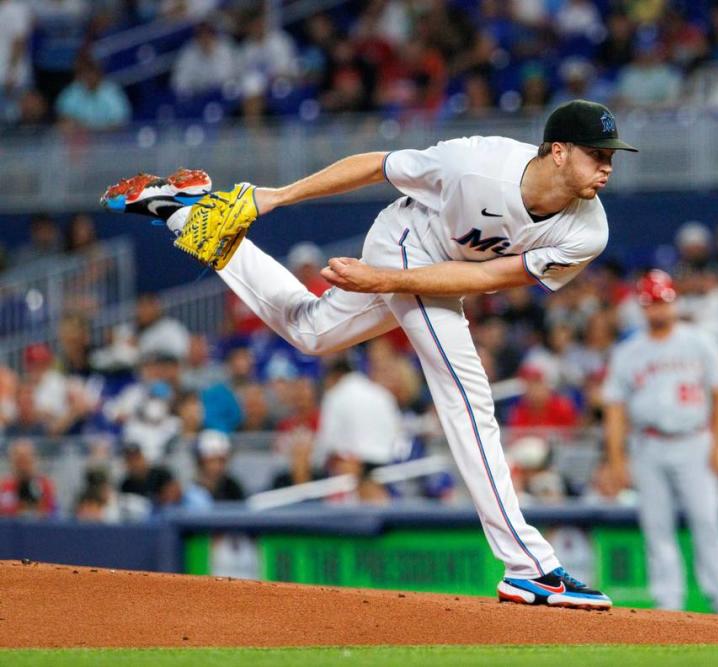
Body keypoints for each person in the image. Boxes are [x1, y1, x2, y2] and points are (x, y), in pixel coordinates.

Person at [99, 99, 636, 610]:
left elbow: (491, 275)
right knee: (466, 397)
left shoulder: (589, 228)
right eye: (597, 153)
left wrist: (383, 281)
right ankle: (530, 566)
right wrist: (274, 197)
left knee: (310, 332)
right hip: (407, 238)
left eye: (611, 156)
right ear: (558, 150)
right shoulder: (476, 163)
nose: (606, 166)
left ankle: (185, 217)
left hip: (426, 270)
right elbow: (376, 165)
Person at [602, 270, 718, 615]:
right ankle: (667, 603)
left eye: (663, 302)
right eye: (650, 304)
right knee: (656, 525)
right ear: (641, 307)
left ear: (674, 301)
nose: (658, 310)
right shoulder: (629, 351)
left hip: (694, 440)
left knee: (707, 521)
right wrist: (617, 460)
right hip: (648, 444)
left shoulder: (699, 340)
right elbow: (614, 407)